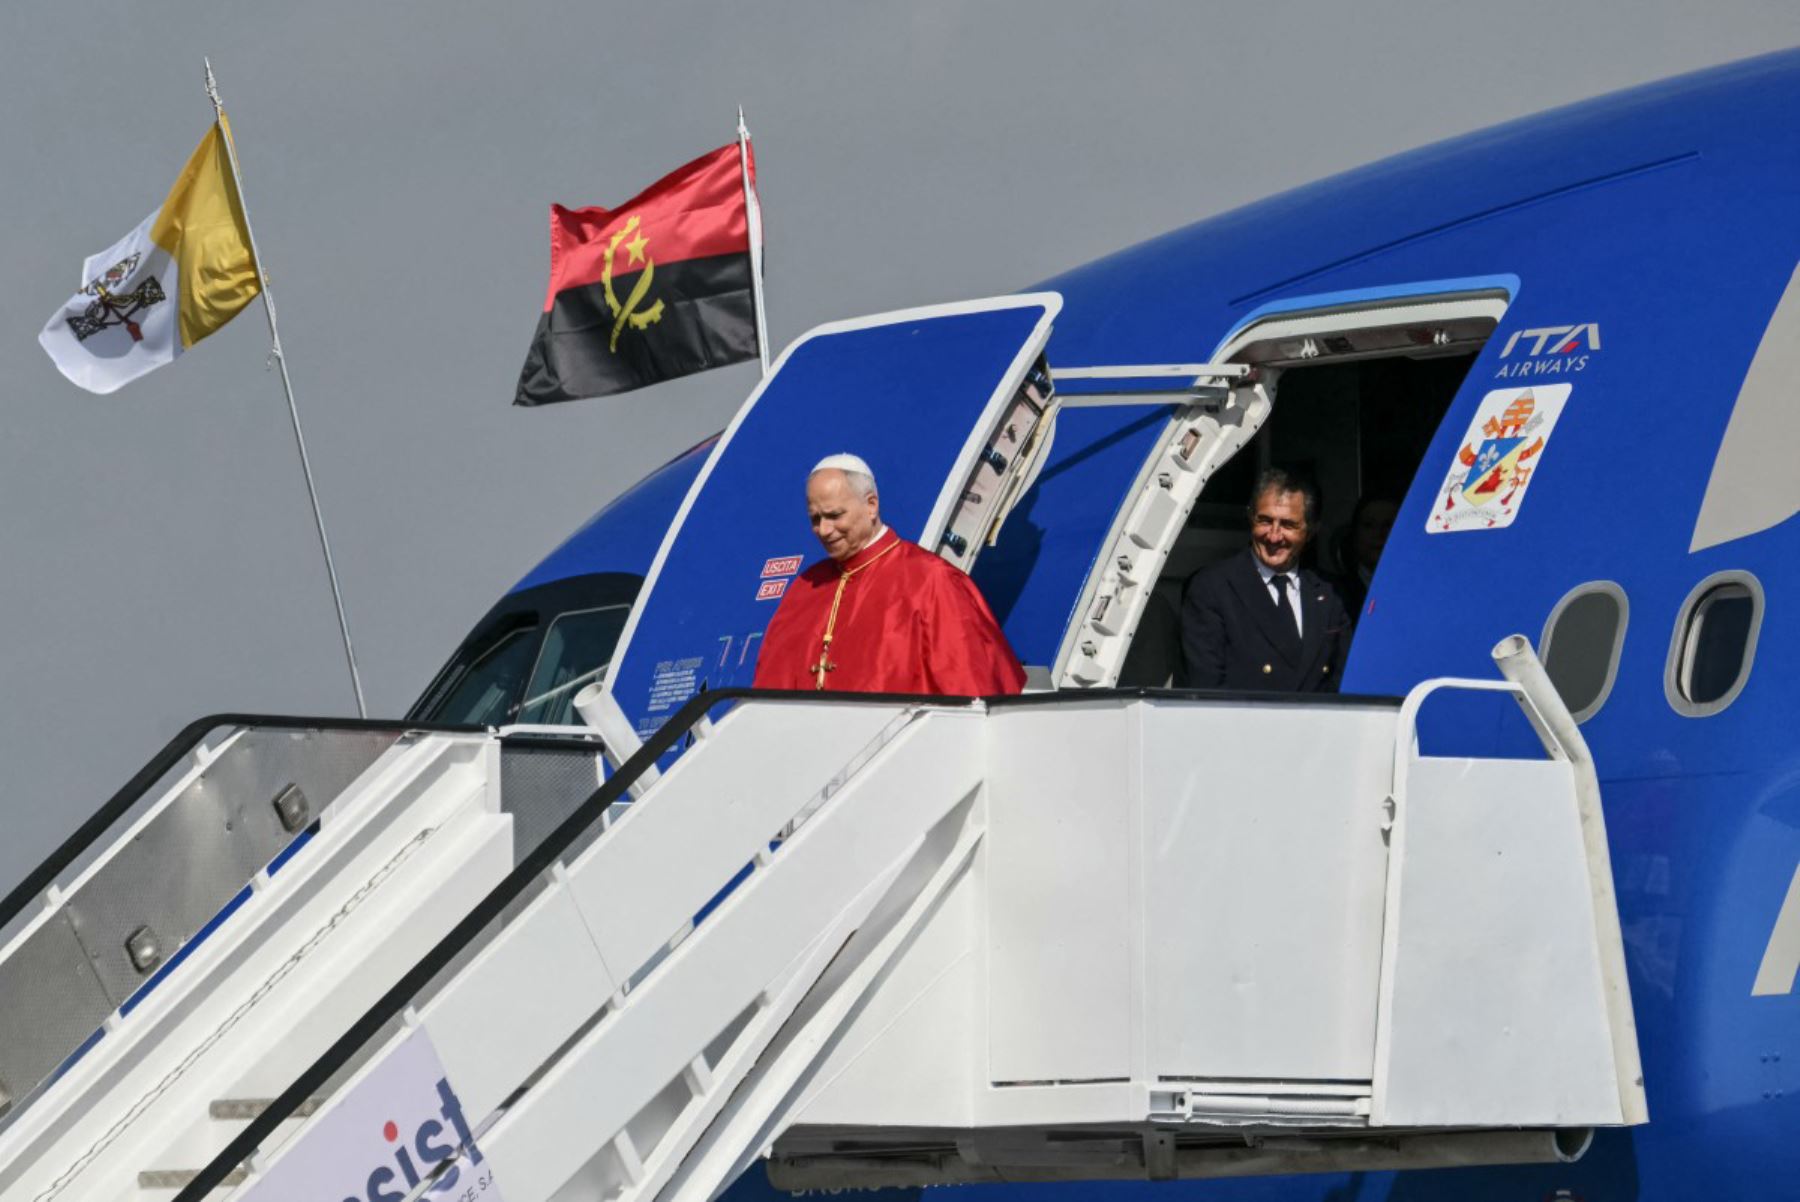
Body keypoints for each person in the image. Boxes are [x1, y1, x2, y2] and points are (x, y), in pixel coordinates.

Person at [753, 454, 1026, 695]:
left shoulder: (932, 581)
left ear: (871, 505)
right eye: (815, 519)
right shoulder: (805, 588)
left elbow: (972, 693)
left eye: (834, 515)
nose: (824, 530)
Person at [1181, 467, 1351, 692]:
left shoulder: (1331, 594)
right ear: (1251, 517)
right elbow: (1206, 687)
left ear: (1311, 531)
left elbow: (1343, 680)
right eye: (1264, 521)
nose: (1273, 535)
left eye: (1288, 525)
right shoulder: (1213, 588)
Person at [1328, 495, 1400, 621]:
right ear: (1355, 534)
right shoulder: (1335, 594)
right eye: (1369, 525)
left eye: (1388, 525)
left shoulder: (1417, 588)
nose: (1379, 534)